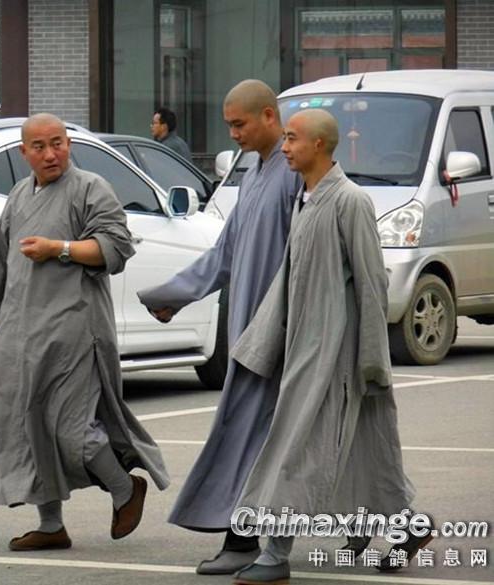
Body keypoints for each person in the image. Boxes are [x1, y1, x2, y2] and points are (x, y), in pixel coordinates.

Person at [0, 113, 169, 551]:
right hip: (21, 332)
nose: (51, 154)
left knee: (72, 430)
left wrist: (61, 249)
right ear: (24, 152)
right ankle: (51, 525)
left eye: (58, 143)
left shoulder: (90, 189)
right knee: (29, 427)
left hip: (75, 329)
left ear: (69, 144)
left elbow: (115, 247)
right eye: (40, 147)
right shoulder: (19, 196)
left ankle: (125, 488)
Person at [228, 108, 420, 585]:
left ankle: (275, 551)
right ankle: (403, 528)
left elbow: (372, 283)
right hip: (304, 346)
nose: (285, 147)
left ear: (318, 144)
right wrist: (267, 341)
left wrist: (371, 359)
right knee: (365, 449)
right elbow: (290, 279)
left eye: (292, 138)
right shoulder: (305, 199)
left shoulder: (350, 201)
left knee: (298, 446)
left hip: (335, 353)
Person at [138, 80, 302, 575]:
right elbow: (225, 254)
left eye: (239, 124)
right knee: (285, 435)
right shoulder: (253, 175)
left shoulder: (297, 175)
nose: (232, 134)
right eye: (228, 125)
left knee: (260, 433)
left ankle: (244, 537)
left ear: (269, 116)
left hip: (283, 332)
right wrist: (172, 295)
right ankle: (398, 524)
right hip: (250, 331)